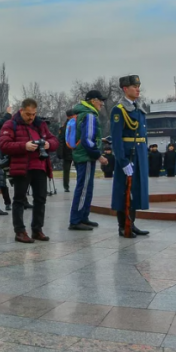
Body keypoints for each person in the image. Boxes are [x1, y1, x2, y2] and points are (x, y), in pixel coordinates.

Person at [0, 98, 58, 243]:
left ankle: (37, 230)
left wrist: (47, 145)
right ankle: (20, 231)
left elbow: (55, 141)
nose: (31, 117)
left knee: (40, 199)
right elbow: (4, 145)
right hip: (21, 168)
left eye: (33, 114)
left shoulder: (40, 124)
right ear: (21, 111)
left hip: (40, 167)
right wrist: (23, 146)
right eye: (28, 114)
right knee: (19, 200)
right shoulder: (10, 124)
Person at [109, 75, 150, 238]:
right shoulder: (119, 110)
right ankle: (122, 225)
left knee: (135, 189)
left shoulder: (138, 108)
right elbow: (116, 139)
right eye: (134, 86)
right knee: (123, 190)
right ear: (125, 89)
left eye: (138, 86)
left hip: (139, 154)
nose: (138, 89)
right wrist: (123, 161)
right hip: (127, 155)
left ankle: (131, 223)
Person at [67, 90, 106, 231]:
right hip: (86, 156)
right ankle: (76, 220)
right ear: (93, 100)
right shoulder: (89, 115)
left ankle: (83, 217)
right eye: (100, 100)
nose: (102, 103)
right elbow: (87, 140)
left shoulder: (83, 113)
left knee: (86, 188)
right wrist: (98, 155)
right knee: (83, 188)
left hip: (82, 155)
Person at [58, 109, 75, 192]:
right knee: (66, 170)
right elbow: (60, 141)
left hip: (75, 150)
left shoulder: (76, 124)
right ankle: (66, 186)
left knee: (79, 169)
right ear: (68, 116)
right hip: (67, 151)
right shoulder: (64, 128)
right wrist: (60, 152)